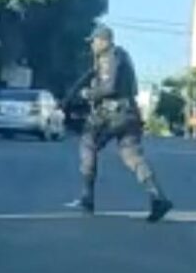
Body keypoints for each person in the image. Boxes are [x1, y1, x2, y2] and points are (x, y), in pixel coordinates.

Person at [66, 24, 173, 222]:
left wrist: (88, 94)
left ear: (104, 41)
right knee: (132, 156)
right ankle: (157, 196)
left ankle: (87, 197)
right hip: (130, 113)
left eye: (94, 41)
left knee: (88, 143)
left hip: (112, 113)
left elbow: (109, 87)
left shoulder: (109, 58)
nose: (92, 46)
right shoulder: (123, 56)